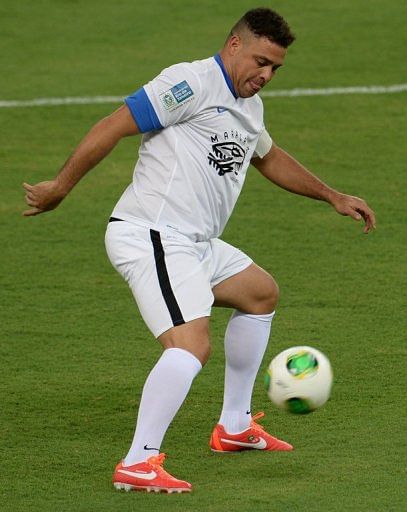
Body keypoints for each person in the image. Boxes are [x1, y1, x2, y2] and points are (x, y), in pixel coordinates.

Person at [23, 7, 376, 494]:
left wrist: (333, 195)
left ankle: (233, 427)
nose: (266, 75)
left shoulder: (249, 107)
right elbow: (114, 124)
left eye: (276, 68)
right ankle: (139, 461)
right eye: (260, 61)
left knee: (259, 293)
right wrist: (61, 187)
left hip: (196, 243)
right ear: (234, 45)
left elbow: (269, 157)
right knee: (191, 346)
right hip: (152, 233)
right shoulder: (188, 83)